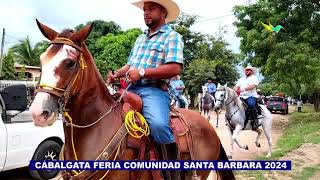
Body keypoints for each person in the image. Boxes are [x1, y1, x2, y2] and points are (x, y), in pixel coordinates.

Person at [106, 0, 183, 177]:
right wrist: (116, 74)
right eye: (144, 10)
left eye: (151, 9)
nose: (146, 13)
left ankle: (172, 173)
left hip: (153, 90)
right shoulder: (140, 38)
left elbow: (174, 68)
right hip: (130, 89)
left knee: (158, 125)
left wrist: (142, 72)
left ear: (163, 13)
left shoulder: (172, 37)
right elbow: (130, 65)